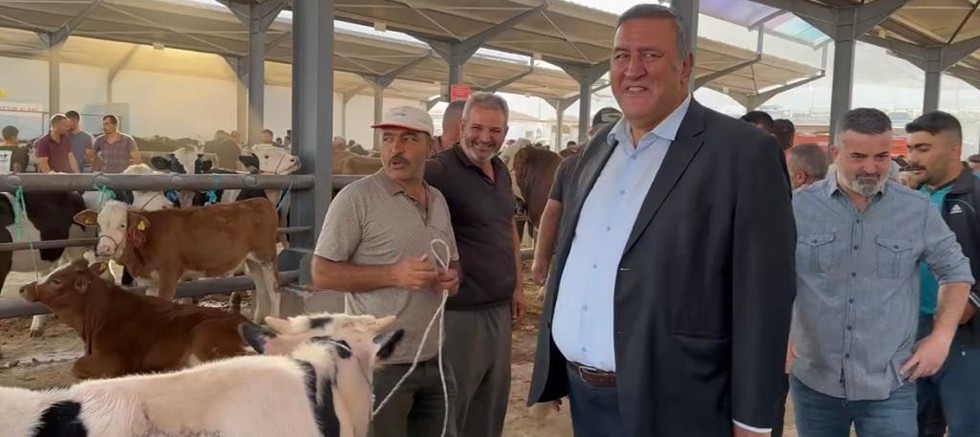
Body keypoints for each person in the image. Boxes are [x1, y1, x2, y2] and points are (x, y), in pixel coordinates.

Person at [527, 4, 796, 437]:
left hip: (682, 402)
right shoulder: (598, 150)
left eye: (650, 55)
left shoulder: (742, 154)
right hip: (587, 398)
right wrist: (555, 363)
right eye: (621, 55)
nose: (632, 69)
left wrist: (752, 420)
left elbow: (764, 297)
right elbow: (579, 257)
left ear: (684, 66)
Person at [789, 107, 974, 437]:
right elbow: (767, 275)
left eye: (882, 156)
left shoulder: (916, 210)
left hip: (890, 386)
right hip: (816, 381)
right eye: (858, 157)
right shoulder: (798, 207)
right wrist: (775, 330)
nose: (871, 168)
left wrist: (941, 338)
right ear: (835, 153)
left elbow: (957, 272)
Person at [311, 106, 460, 437]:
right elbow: (321, 273)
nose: (396, 148)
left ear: (431, 147)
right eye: (388, 138)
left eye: (409, 139)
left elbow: (451, 262)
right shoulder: (355, 199)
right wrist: (393, 275)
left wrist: (451, 278)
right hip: (379, 365)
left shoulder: (437, 200)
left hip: (434, 358)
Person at [424, 92, 524, 437]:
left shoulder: (500, 170)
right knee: (454, 408)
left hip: (498, 310)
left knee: (491, 406)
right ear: (462, 126)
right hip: (459, 314)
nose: (485, 138)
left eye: (494, 130)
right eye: (477, 128)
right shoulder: (439, 170)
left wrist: (517, 285)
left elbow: (507, 227)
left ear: (505, 133)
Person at [905, 110, 980, 437]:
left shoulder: (975, 196)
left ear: (953, 150)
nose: (913, 157)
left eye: (923, 148)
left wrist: (972, 302)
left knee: (968, 427)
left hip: (967, 337)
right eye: (911, 148)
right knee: (916, 425)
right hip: (913, 329)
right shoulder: (908, 198)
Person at [530, 106, 623, 286]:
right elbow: (551, 212)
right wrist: (541, 257)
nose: (609, 140)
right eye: (602, 133)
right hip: (573, 259)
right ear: (591, 133)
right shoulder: (569, 166)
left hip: (615, 265)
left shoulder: (635, 172)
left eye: (616, 133)